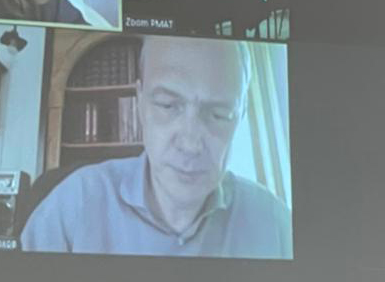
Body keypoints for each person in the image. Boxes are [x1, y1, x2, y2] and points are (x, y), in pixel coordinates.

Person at [21, 36, 292, 258]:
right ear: (140, 103)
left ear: (240, 116)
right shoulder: (70, 206)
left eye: (219, 115)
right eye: (167, 105)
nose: (190, 144)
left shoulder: (275, 225)